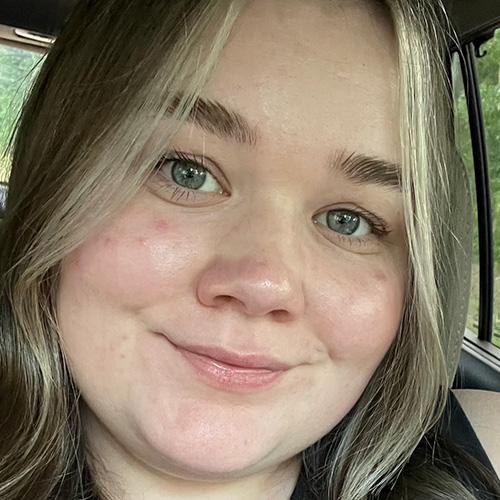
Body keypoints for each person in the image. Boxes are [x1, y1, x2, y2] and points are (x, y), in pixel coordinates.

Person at [0, 0, 499, 498]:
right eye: (187, 172)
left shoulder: (485, 453)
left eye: (347, 221)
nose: (263, 284)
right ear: (56, 184)